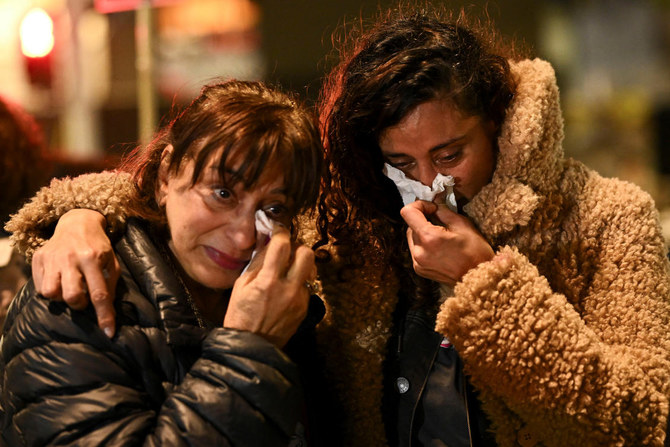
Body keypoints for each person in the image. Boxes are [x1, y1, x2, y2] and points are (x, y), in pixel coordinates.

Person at [7, 5, 670, 447]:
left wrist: (490, 286)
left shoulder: (607, 218)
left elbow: (643, 421)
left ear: (498, 124)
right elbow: (183, 195)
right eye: (400, 161)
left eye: (451, 154)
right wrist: (76, 215)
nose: (431, 182)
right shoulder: (351, 225)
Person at [0, 79, 325, 445]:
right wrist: (247, 349)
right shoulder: (79, 293)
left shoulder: (294, 297)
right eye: (222, 193)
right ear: (167, 173)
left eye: (273, 208)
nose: (243, 237)